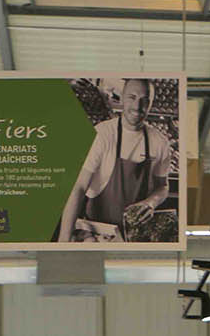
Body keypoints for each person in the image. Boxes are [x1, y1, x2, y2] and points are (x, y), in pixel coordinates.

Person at [57, 78, 175, 244]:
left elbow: (162, 186)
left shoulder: (159, 142)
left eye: (144, 100)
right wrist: (64, 239)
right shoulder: (103, 134)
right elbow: (79, 187)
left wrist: (151, 203)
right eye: (132, 97)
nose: (137, 106)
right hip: (99, 233)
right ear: (122, 99)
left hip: (133, 236)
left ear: (151, 103)